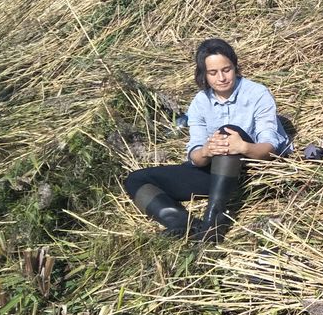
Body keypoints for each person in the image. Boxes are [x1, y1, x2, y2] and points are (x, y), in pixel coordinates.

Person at [123, 38, 289, 242]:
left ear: (235, 67)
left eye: (226, 70)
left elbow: (271, 148)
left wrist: (243, 146)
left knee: (228, 132)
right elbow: (195, 155)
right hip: (216, 173)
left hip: (252, 170)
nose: (221, 78)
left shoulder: (257, 94)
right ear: (204, 75)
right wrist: (206, 151)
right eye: (213, 73)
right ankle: (181, 224)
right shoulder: (201, 102)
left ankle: (214, 223)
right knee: (136, 179)